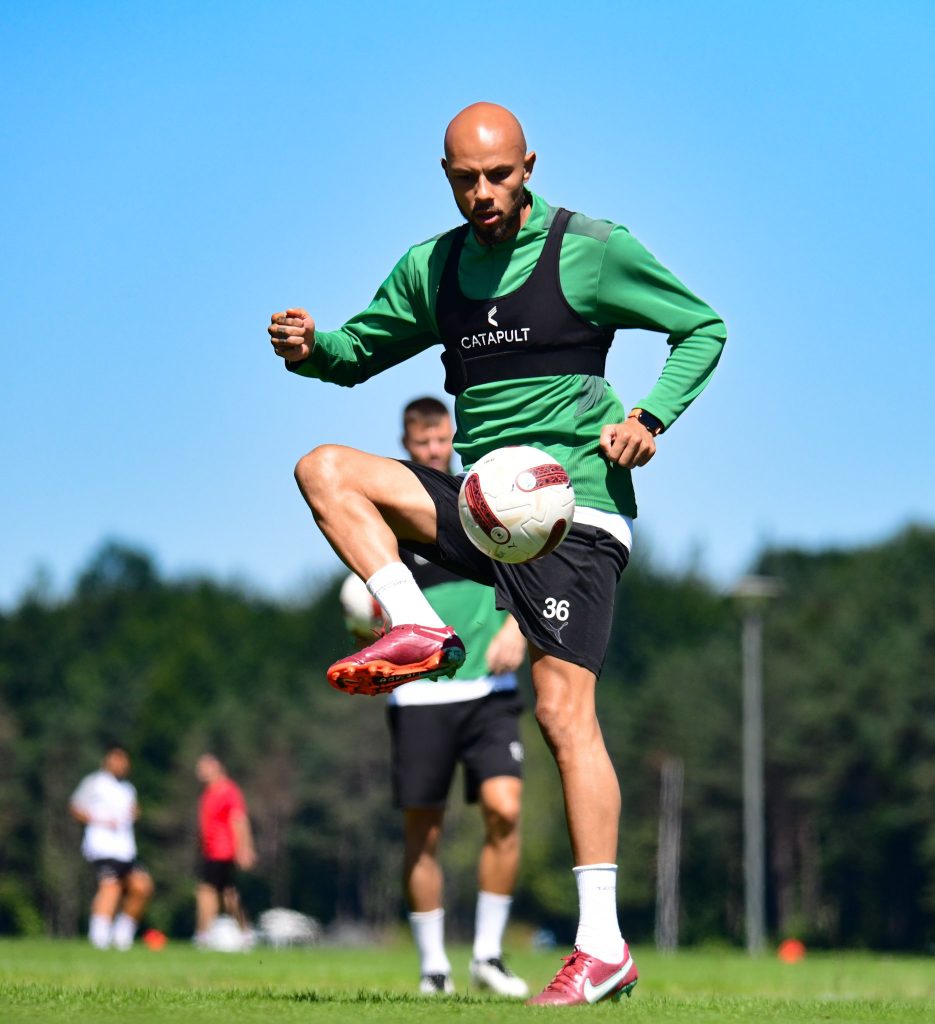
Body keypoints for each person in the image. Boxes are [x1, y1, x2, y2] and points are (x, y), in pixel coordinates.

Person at [268, 101, 726, 1005]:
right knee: (324, 469)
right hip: (484, 506)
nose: (482, 192)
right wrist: (312, 347)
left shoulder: (591, 249)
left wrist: (648, 417)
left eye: (499, 175)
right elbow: (358, 352)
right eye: (466, 178)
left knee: (562, 714)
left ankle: (602, 946)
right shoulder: (434, 268)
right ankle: (414, 625)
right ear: (446, 176)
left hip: (573, 508)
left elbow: (703, 327)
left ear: (528, 168)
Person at [341, 396, 530, 997]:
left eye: (441, 439)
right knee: (423, 833)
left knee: (505, 810)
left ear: (453, 436)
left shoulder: (482, 500)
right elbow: (367, 610)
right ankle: (434, 968)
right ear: (406, 444)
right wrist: (364, 628)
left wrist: (517, 626)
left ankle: (489, 957)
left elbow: (529, 569)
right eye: (421, 442)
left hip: (490, 693)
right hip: (420, 698)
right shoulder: (390, 520)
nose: (433, 450)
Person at [69, 744, 153, 950]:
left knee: (142, 886)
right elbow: (76, 807)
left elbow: (133, 811)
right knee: (111, 886)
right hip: (102, 846)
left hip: (125, 848)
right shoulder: (94, 782)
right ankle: (99, 936)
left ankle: (122, 934)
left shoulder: (128, 788)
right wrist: (100, 820)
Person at [194, 753, 256, 947]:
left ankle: (203, 935)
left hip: (223, 850)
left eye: (205, 767)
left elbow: (239, 819)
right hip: (211, 850)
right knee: (228, 895)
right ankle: (245, 932)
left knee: (207, 891)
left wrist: (244, 848)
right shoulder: (208, 792)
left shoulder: (228, 790)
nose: (200, 771)